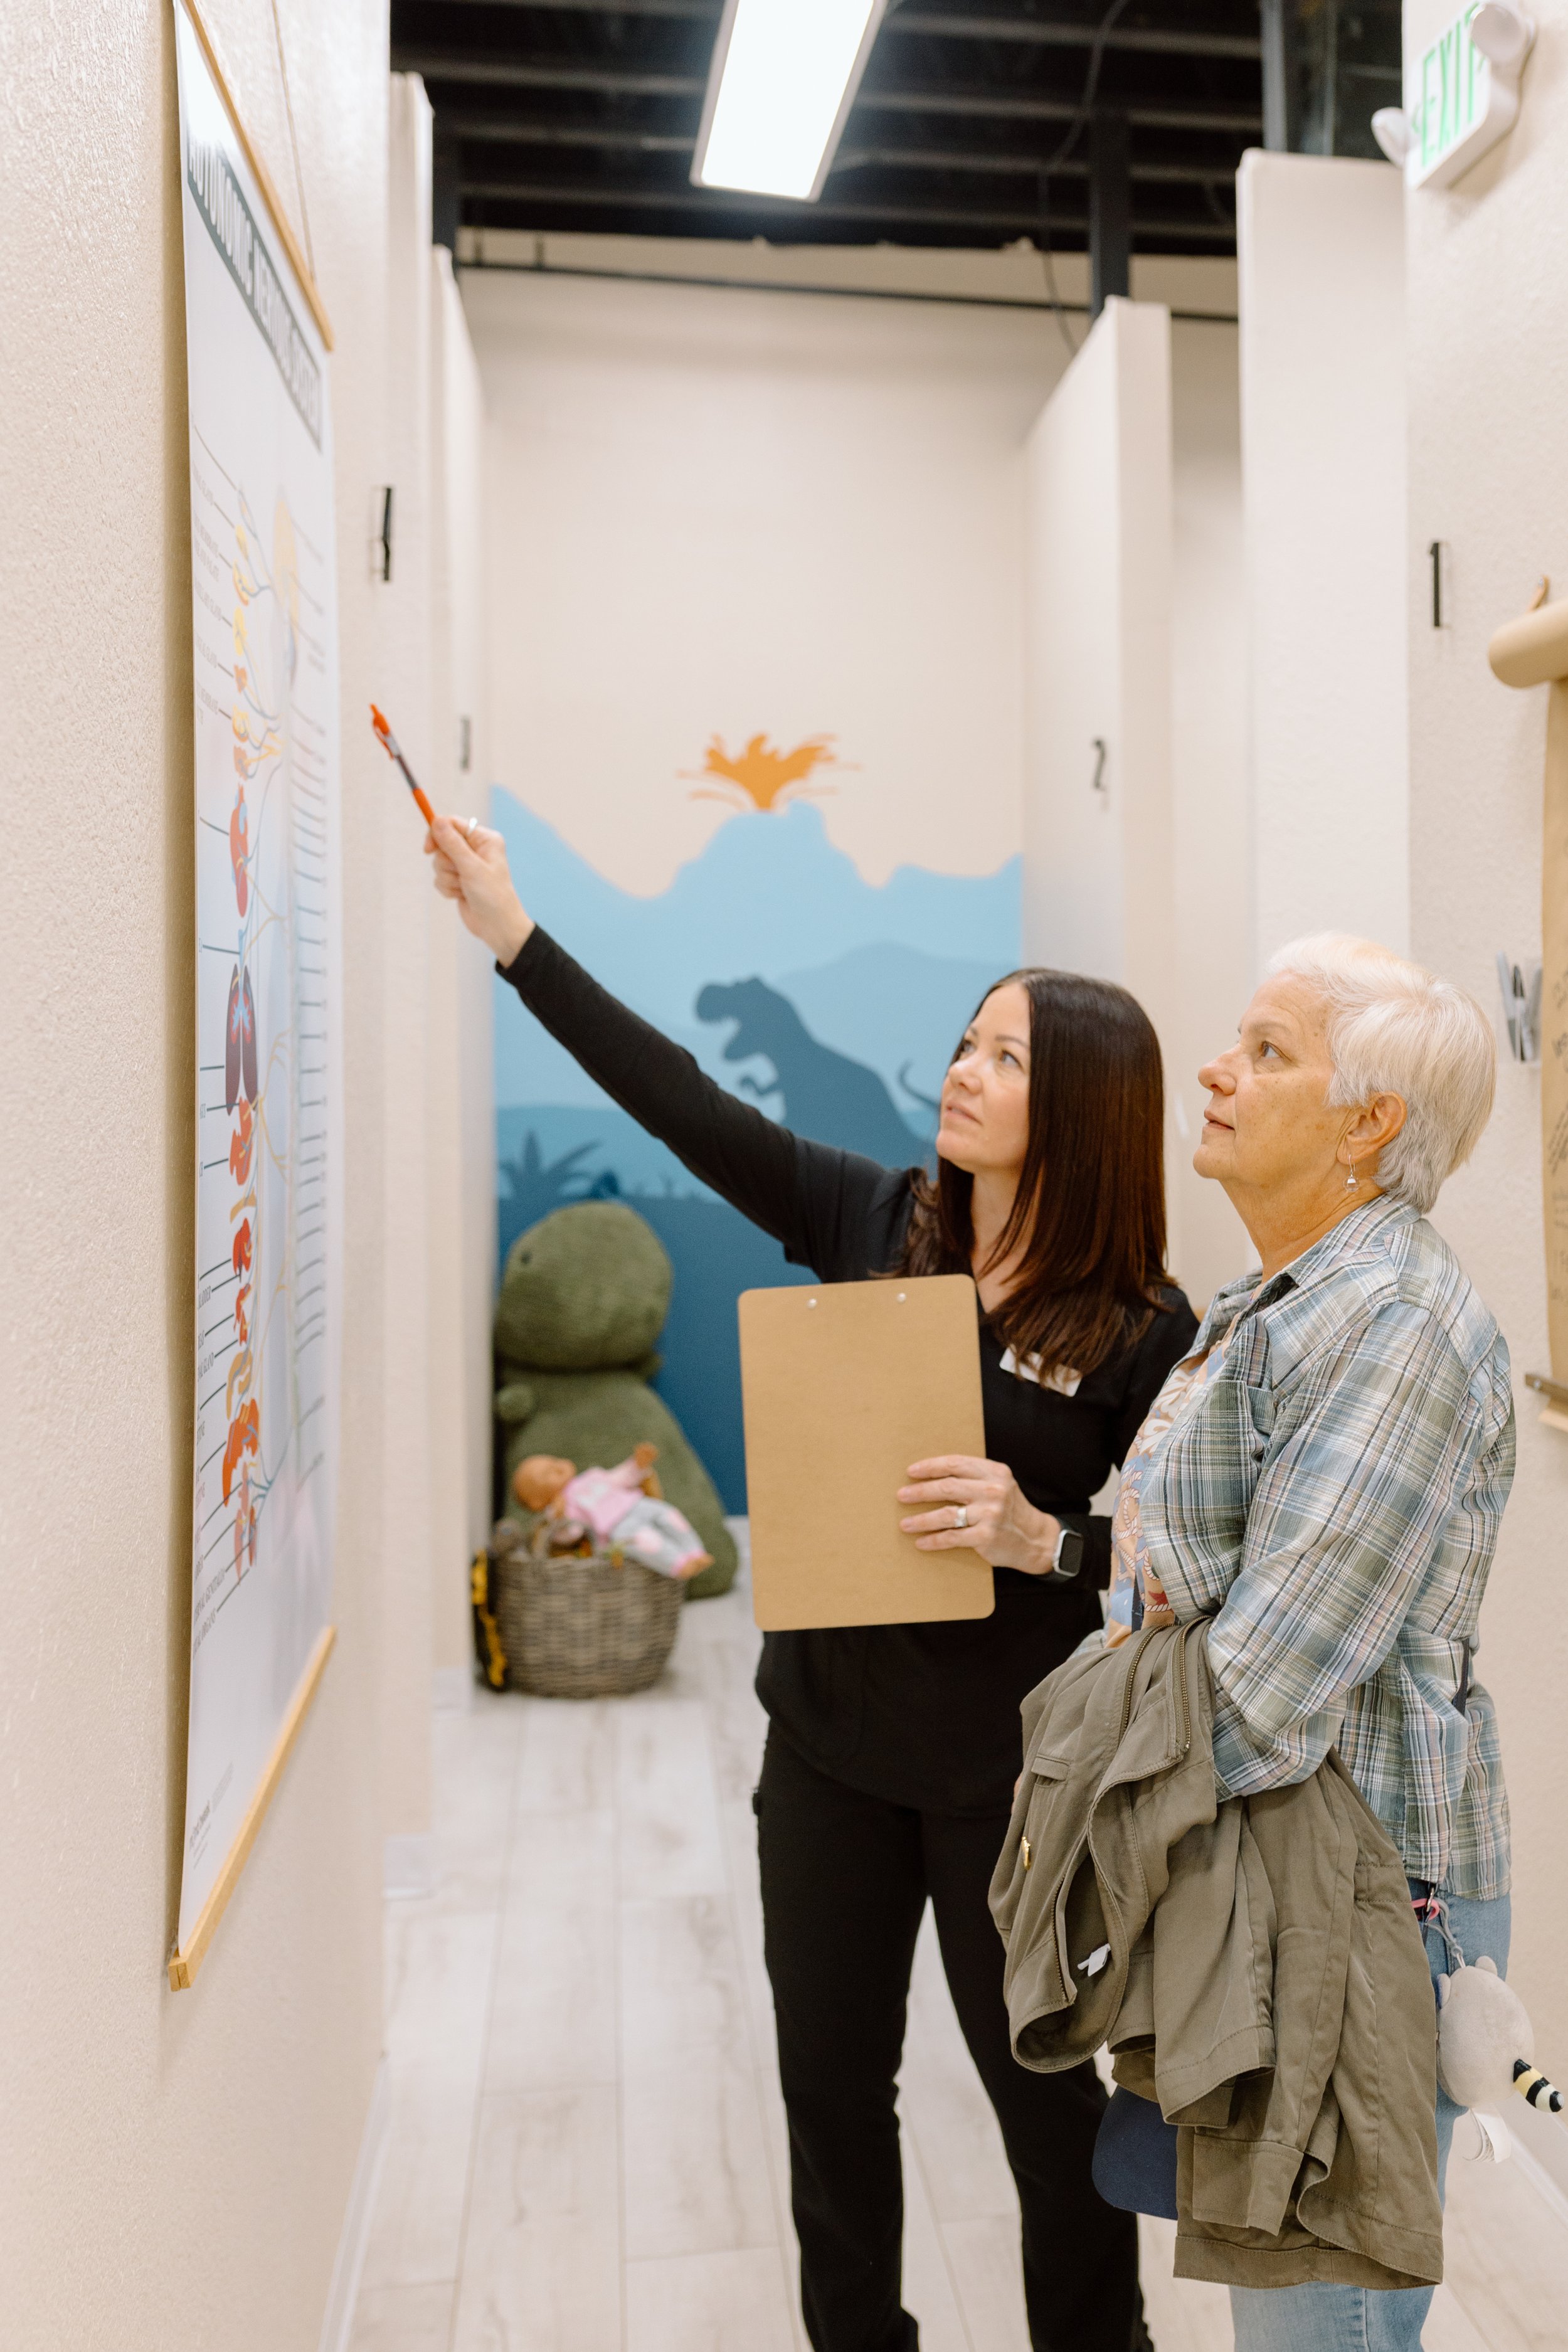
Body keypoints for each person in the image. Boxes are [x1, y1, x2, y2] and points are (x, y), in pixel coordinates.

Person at [426, 809, 1197, 2352]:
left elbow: (1177, 1580)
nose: (959, 1073)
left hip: (1019, 1793)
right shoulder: (871, 1219)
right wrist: (513, 934)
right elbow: (677, 1100)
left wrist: (1039, 1533)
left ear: (1087, 1112)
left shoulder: (1145, 1329)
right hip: (829, 1758)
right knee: (830, 2103)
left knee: (1051, 2138)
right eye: (964, 1042)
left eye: (1003, 1058)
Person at [1104, 934, 1512, 2352]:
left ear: (1367, 1124)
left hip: (1351, 1894)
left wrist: (1088, 1807)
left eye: (1267, 1051)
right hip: (1272, 1881)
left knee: (1319, 2329)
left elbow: (1266, 1676)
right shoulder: (1287, 1299)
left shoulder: (1390, 1322)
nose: (1216, 1070)